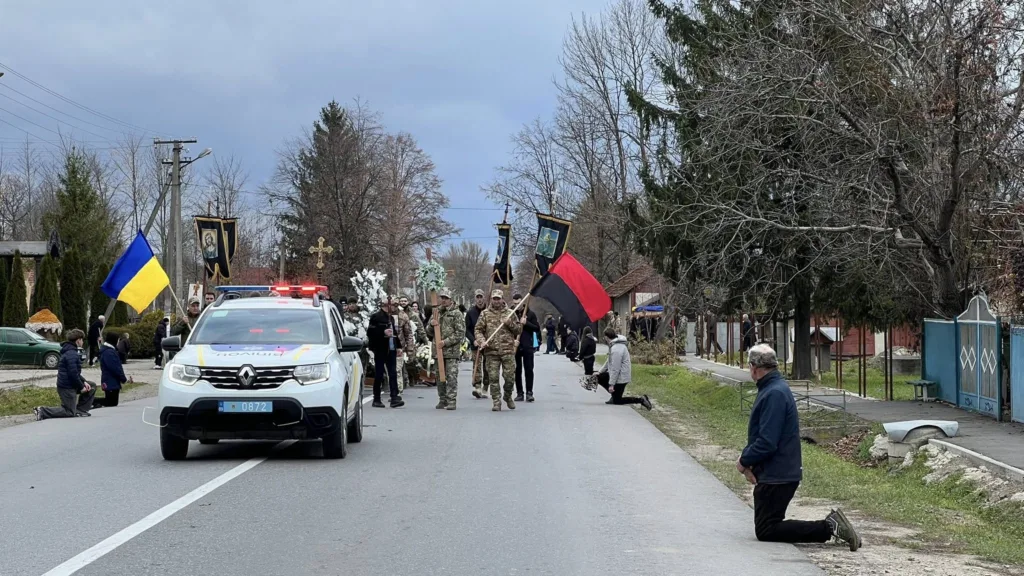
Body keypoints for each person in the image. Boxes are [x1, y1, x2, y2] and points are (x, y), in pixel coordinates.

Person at [738, 344, 861, 550]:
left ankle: (830, 527)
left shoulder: (774, 393)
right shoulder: (773, 388)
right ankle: (832, 527)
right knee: (767, 527)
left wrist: (743, 461)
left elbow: (767, 441)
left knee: (767, 529)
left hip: (777, 474)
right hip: (778, 472)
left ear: (754, 367)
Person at [474, 289, 522, 411]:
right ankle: (496, 401)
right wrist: (481, 341)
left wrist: (509, 323)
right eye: (494, 299)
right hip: (491, 351)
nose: (496, 301)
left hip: (507, 351)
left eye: (498, 299)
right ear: (491, 299)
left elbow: (518, 330)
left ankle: (508, 395)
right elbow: (478, 329)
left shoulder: (510, 313)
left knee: (510, 377)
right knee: (493, 378)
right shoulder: (485, 314)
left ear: (502, 299)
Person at [35, 329, 95, 420]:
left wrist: (84, 382)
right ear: (78, 340)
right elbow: (73, 375)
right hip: (67, 387)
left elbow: (74, 372)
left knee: (91, 386)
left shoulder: (70, 351)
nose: (83, 342)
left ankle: (80, 410)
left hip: (70, 384)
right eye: (82, 340)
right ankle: (42, 411)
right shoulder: (72, 354)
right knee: (69, 412)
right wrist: (81, 387)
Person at [428, 288, 465, 410]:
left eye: (446, 298)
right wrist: (431, 324)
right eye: (442, 298)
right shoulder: (436, 312)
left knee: (451, 376)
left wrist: (445, 342)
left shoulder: (456, 313)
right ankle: (442, 399)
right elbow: (429, 331)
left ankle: (451, 400)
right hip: (438, 351)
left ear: (451, 299)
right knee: (439, 377)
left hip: (451, 351)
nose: (443, 300)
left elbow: (460, 333)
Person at [599, 328, 652, 410]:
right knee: (599, 377)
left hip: (621, 377)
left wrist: (611, 384)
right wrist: (599, 372)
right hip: (619, 374)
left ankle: (641, 400)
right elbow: (609, 361)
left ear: (606, 337)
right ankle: (614, 395)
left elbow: (615, 368)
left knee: (617, 401)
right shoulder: (615, 345)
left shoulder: (616, 349)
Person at [367, 296, 404, 408]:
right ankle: (376, 398)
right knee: (379, 374)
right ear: (386, 305)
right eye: (392, 305)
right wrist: (382, 332)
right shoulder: (376, 317)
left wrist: (398, 346)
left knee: (393, 373)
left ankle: (394, 397)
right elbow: (370, 332)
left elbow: (394, 333)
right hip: (380, 349)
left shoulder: (391, 318)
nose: (394, 307)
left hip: (391, 348)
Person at [512, 293, 540, 403]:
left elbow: (536, 328)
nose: (516, 306)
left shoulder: (530, 313)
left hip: (527, 345)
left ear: (522, 302)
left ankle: (529, 392)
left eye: (518, 303)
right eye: (515, 304)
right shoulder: (511, 313)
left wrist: (526, 323)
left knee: (529, 369)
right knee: (517, 370)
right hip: (516, 345)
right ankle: (519, 392)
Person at [94, 332, 131, 408]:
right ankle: (92, 401)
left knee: (113, 401)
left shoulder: (110, 351)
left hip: (111, 380)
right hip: (110, 380)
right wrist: (123, 379)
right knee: (111, 402)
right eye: (118, 340)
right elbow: (115, 368)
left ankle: (94, 402)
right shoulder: (109, 352)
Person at [466, 289, 490, 399]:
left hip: (488, 343)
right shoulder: (470, 313)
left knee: (487, 366)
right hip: (476, 343)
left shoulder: (488, 311)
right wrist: (473, 340)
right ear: (475, 298)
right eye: (477, 297)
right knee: (477, 365)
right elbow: (466, 329)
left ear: (484, 298)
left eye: (481, 297)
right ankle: (477, 386)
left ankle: (485, 386)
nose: (479, 300)